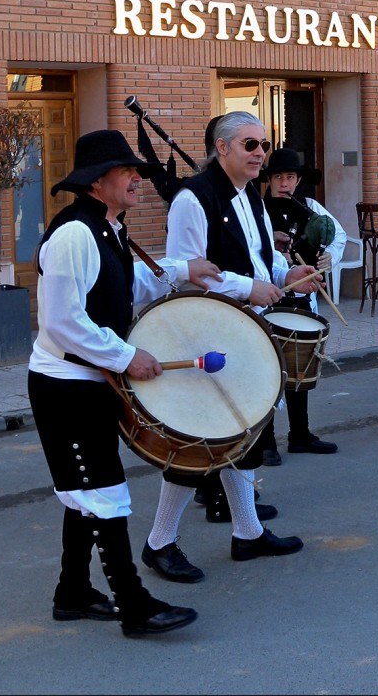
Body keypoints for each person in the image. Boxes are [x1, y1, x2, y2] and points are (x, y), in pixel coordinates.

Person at [27, 129, 222, 638]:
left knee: (85, 491)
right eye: (127, 170)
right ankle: (133, 605)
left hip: (89, 381)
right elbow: (63, 323)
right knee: (104, 493)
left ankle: (72, 593)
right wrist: (128, 355)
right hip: (66, 386)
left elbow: (132, 278)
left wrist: (185, 269)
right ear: (97, 181)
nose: (138, 177)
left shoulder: (109, 227)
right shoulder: (73, 234)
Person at [141, 112, 318, 582]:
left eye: (262, 144)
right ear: (221, 147)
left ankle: (248, 532)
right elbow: (186, 271)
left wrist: (285, 276)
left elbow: (262, 262)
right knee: (199, 443)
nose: (261, 152)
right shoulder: (192, 199)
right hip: (209, 337)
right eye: (250, 144)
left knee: (246, 433)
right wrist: (247, 288)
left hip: (246, 331)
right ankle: (159, 543)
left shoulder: (252, 197)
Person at [260, 147, 346, 460]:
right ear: (269, 179)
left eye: (291, 177)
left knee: (300, 368)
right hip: (268, 299)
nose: (285, 182)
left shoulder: (310, 206)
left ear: (298, 180)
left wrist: (328, 258)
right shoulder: (257, 209)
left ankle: (299, 434)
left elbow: (338, 234)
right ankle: (265, 442)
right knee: (268, 371)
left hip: (302, 296)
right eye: (279, 176)